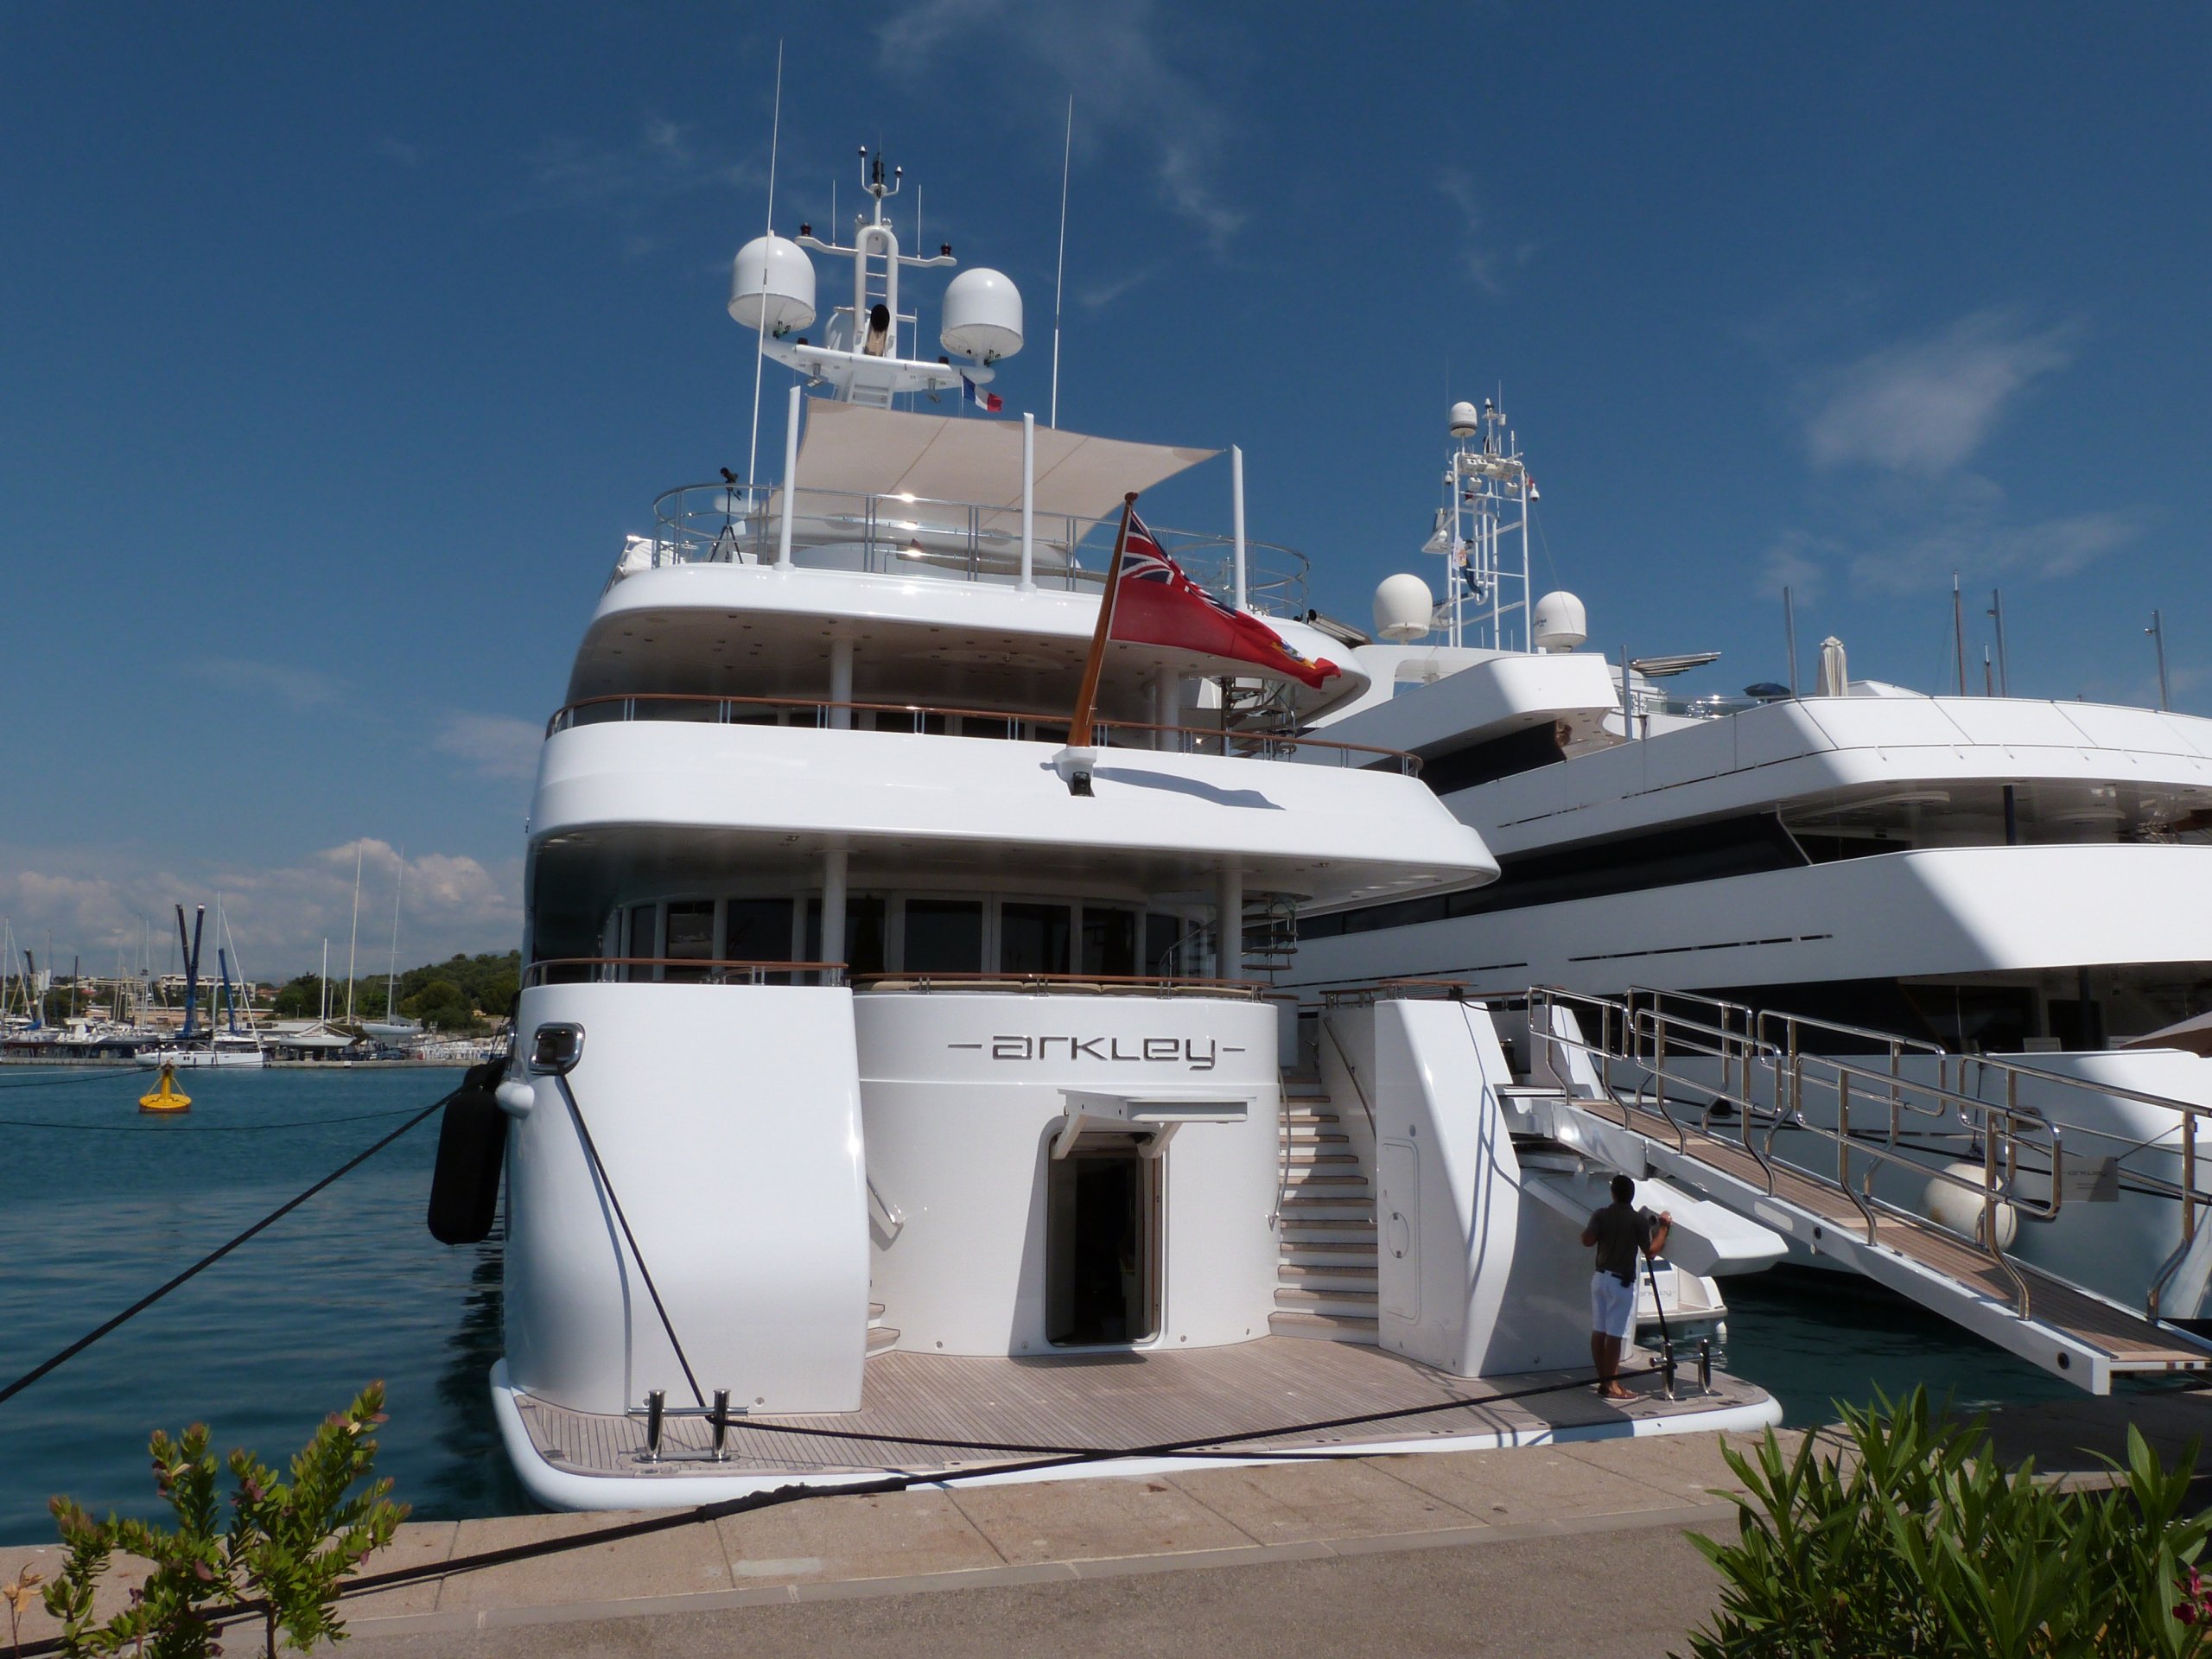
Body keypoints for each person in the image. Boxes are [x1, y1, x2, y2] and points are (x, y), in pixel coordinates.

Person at [1580, 1173, 1670, 1400]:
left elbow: (1587, 1240)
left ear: (1613, 1194)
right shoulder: (1638, 1221)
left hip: (1599, 1278)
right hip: (1621, 1283)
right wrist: (1664, 1229)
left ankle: (1603, 1383)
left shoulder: (1601, 1214)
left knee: (1599, 1331)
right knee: (1615, 1335)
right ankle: (1613, 1387)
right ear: (1632, 1196)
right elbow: (1650, 1252)